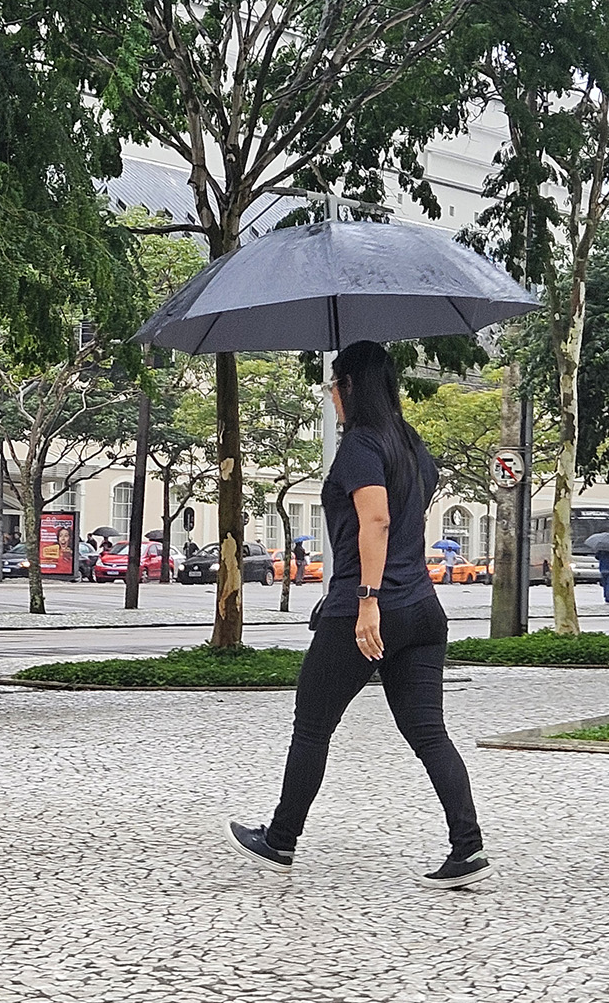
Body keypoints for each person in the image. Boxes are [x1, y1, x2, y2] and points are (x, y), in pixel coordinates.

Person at [229, 341, 490, 889]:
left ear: (348, 386)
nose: (331, 396)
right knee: (428, 732)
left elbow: (376, 521)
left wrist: (368, 599)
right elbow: (411, 506)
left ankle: (280, 839)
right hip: (422, 607)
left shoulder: (361, 448)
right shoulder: (411, 445)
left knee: (312, 726)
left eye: (332, 386)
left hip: (364, 608)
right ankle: (467, 847)